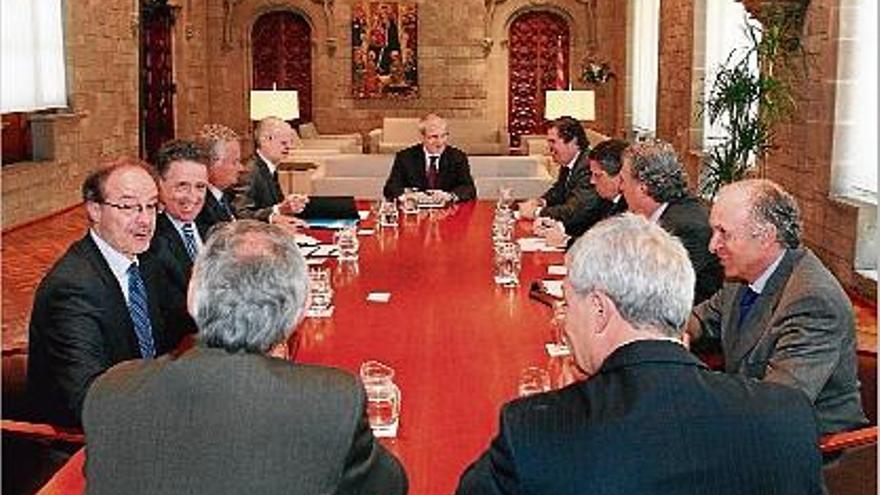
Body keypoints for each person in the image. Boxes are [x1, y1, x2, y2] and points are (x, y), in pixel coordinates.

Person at [457, 214, 824, 495]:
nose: (566, 323)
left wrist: (563, 403)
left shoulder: (535, 430)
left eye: (567, 304)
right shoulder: (787, 417)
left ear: (600, 310)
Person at [82, 220, 409, 494]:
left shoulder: (110, 390)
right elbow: (392, 487)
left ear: (193, 297)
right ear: (300, 308)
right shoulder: (333, 400)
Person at [688, 179, 867, 435]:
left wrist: (696, 390)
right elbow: (702, 318)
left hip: (814, 446)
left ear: (766, 236)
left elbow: (779, 401)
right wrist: (671, 333)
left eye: (723, 233)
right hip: (754, 422)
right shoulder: (741, 275)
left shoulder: (813, 301)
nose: (712, 245)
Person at [27, 159, 174, 427]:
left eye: (151, 206)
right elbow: (87, 398)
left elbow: (174, 329)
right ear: (94, 209)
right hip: (79, 442)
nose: (145, 220)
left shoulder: (145, 261)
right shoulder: (73, 289)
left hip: (142, 402)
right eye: (128, 207)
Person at [619, 139, 723, 304]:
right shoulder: (666, 212)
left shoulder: (687, 226)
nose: (621, 188)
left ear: (642, 188)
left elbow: (654, 291)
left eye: (623, 180)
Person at [148, 139, 211, 341]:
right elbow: (174, 316)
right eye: (182, 186)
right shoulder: (151, 241)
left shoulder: (209, 227)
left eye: (200, 187)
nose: (192, 197)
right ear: (160, 185)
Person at [518, 116, 604, 233]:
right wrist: (540, 201)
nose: (550, 149)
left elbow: (575, 210)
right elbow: (559, 190)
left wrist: (536, 212)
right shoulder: (569, 162)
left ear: (573, 141)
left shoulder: (589, 167)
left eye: (553, 142)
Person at [544, 139, 629, 248]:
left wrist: (566, 242)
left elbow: (608, 247)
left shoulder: (629, 206)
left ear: (620, 177)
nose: (592, 181)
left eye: (597, 175)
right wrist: (558, 228)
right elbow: (587, 227)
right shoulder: (605, 199)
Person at [231, 116, 308, 230]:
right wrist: (277, 211)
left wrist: (287, 207)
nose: (289, 147)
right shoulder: (249, 171)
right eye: (283, 142)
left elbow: (275, 206)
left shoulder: (268, 168)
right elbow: (240, 214)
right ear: (265, 140)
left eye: (290, 142)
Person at [382, 113, 476, 203]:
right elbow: (390, 189)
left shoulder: (458, 157)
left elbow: (469, 189)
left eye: (443, 136)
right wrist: (408, 196)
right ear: (422, 137)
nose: (440, 142)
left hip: (448, 213)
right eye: (434, 137)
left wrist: (449, 196)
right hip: (415, 214)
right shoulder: (405, 157)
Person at [196, 123, 245, 231]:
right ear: (213, 163)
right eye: (235, 162)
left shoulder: (225, 196)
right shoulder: (199, 206)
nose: (241, 168)